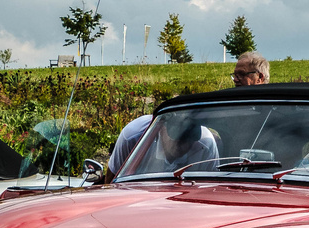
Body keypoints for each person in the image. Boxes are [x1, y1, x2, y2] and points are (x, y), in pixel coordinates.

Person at [105, 51, 271, 176]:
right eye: (234, 75)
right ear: (162, 128)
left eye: (241, 74)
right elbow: (112, 181)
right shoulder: (134, 135)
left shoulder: (204, 143)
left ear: (260, 77)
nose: (235, 79)